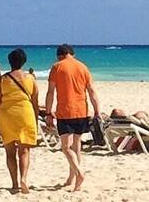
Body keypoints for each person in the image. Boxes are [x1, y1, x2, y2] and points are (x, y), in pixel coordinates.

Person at [45, 44, 100, 192]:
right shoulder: (83, 67)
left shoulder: (57, 67)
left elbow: (50, 92)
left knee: (65, 147)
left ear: (60, 55)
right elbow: (92, 91)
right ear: (72, 54)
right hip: (82, 110)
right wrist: (97, 111)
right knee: (76, 146)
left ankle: (79, 173)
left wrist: (48, 112)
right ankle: (72, 178)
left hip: (65, 111)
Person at [0, 48, 40, 194]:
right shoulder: (31, 79)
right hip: (26, 114)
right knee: (25, 151)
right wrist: (35, 121)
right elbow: (35, 102)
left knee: (10, 152)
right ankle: (24, 179)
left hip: (7, 115)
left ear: (10, 62)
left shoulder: (2, 80)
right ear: (24, 62)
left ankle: (15, 183)